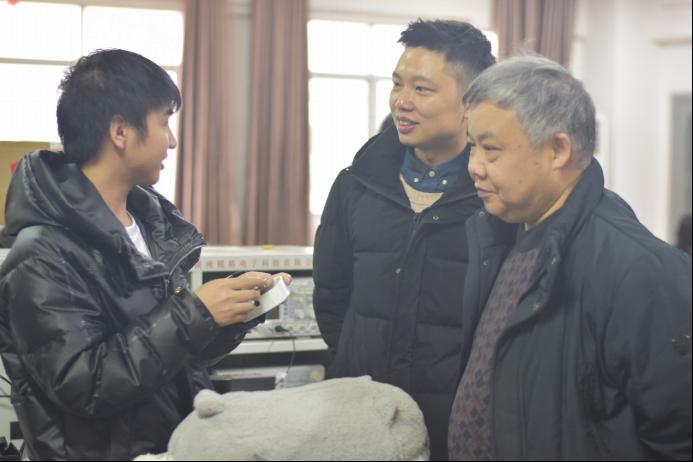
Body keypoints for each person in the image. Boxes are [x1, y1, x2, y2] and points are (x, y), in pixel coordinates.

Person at [0, 49, 290, 460]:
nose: (172, 141)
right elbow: (87, 386)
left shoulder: (152, 228)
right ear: (120, 131)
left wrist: (233, 310)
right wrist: (195, 314)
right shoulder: (42, 255)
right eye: (164, 122)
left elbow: (168, 357)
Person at [449, 55, 692, 460]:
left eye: (490, 149)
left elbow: (679, 436)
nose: (473, 167)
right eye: (472, 146)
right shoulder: (499, 234)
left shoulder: (640, 271)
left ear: (557, 149)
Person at [313, 19, 495, 459]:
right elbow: (332, 296)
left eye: (422, 89)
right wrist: (355, 361)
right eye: (397, 84)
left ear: (469, 103)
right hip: (362, 417)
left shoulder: (492, 197)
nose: (401, 101)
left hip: (457, 425)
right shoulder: (356, 184)